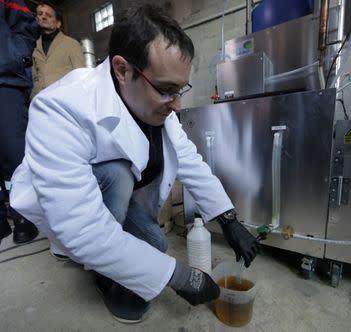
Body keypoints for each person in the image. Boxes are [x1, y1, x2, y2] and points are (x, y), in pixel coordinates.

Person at [10, 4, 260, 323]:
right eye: (167, 90)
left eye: (180, 89)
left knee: (155, 243)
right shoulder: (61, 108)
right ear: (122, 69)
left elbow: (189, 160)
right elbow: (83, 226)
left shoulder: (151, 102)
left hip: (113, 203)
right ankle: (101, 274)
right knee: (116, 174)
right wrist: (180, 277)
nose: (178, 105)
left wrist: (228, 219)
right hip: (67, 210)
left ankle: (112, 257)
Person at [0, 0, 40, 245]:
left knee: (13, 153)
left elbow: (25, 23)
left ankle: (23, 216)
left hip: (4, 80)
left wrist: (14, 55)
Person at [31, 1, 84, 99]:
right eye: (40, 14)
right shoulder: (33, 46)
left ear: (58, 24)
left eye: (49, 15)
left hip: (64, 100)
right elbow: (34, 77)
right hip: (40, 101)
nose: (43, 17)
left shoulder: (71, 44)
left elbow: (80, 76)